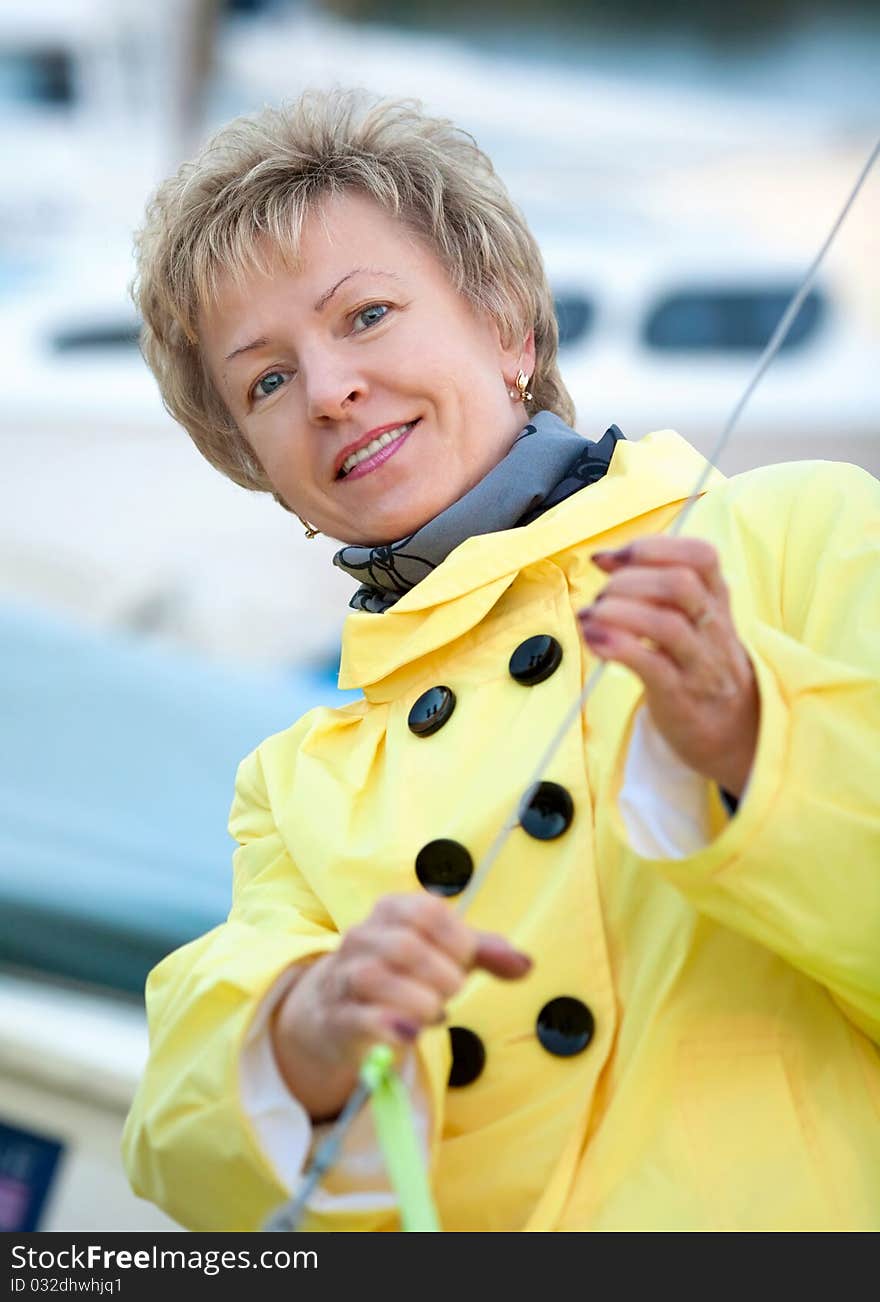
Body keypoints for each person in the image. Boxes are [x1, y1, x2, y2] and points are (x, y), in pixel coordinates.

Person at [121, 88, 880, 1233]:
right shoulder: (293, 783)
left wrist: (750, 747)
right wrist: (305, 1032)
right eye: (266, 381)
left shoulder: (799, 534)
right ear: (260, 467)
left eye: (366, 315)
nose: (329, 391)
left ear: (507, 322)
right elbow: (180, 1154)